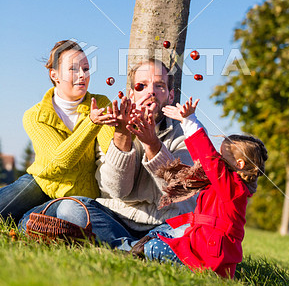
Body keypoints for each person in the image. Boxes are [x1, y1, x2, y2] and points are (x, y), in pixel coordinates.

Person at [19, 58, 198, 247]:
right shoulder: (113, 127)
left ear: (170, 96)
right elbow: (116, 190)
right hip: (115, 219)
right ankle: (140, 248)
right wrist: (122, 135)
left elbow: (180, 190)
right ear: (131, 94)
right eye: (142, 86)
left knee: (189, 232)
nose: (151, 92)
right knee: (71, 208)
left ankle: (126, 247)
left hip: (164, 224)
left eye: (159, 86)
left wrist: (152, 144)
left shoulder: (186, 132)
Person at [130, 98, 268, 280]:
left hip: (208, 258)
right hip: (202, 246)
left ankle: (129, 250)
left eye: (223, 156)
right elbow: (203, 160)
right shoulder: (227, 183)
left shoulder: (233, 187)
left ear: (239, 164)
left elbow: (209, 159)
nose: (218, 158)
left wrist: (190, 121)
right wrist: (187, 123)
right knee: (157, 234)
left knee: (152, 247)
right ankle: (135, 249)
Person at [0, 40, 114, 222]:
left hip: (78, 193)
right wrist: (92, 123)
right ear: (54, 75)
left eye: (86, 68)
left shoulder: (100, 104)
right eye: (74, 69)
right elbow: (60, 160)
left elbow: (112, 150)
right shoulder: (34, 115)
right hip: (40, 183)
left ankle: (24, 220)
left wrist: (123, 126)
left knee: (29, 222)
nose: (82, 75)